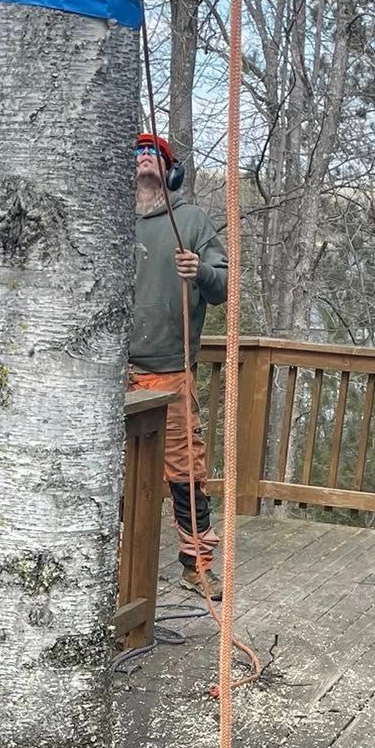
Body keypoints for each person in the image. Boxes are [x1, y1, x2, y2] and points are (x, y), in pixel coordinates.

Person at [129, 131, 228, 591]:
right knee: (112, 475)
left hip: (168, 369)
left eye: (155, 154)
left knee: (185, 468)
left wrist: (201, 270)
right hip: (112, 374)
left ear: (170, 171)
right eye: (139, 153)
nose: (146, 158)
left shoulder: (189, 221)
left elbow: (225, 286)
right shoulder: (110, 223)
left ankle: (198, 565)